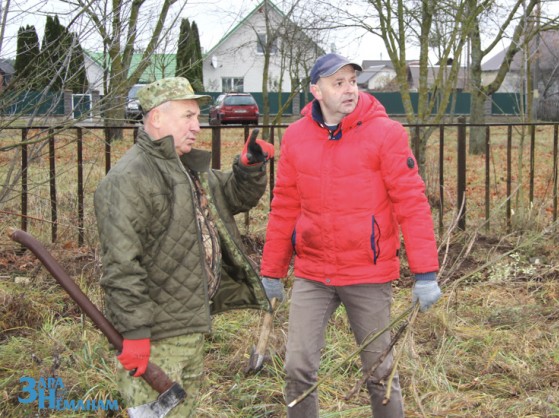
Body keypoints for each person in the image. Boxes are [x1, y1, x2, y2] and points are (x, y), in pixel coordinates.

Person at [260, 53, 442, 418]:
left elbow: (412, 203)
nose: (349, 90)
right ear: (316, 91)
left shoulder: (386, 134)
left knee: (380, 373)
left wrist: (425, 273)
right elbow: (284, 207)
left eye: (352, 82)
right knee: (297, 368)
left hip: (367, 273)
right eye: (337, 83)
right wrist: (271, 271)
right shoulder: (296, 138)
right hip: (314, 272)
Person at [94, 77, 274, 416]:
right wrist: (135, 335)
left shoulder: (187, 169)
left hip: (189, 327)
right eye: (188, 116)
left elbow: (234, 196)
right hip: (155, 340)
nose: (198, 126)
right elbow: (121, 266)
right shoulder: (129, 179)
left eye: (197, 117)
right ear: (157, 118)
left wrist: (249, 167)